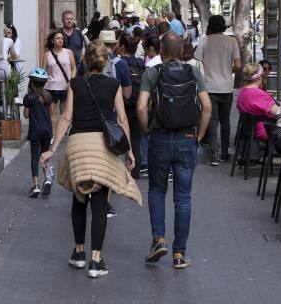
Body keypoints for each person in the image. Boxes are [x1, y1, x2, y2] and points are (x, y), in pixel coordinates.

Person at [41, 41, 140, 278]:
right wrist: (129, 151)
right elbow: (123, 120)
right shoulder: (114, 85)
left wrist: (52, 149)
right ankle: (95, 262)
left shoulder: (75, 84)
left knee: (78, 199)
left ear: (85, 61)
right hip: (103, 147)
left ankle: (78, 253)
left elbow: (66, 117)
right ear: (105, 61)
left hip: (78, 145)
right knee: (98, 204)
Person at [136, 33, 211, 270]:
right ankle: (179, 254)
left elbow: (140, 107)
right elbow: (207, 107)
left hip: (159, 138)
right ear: (181, 51)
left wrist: (147, 129)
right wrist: (199, 135)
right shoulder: (194, 72)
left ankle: (159, 240)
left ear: (161, 49)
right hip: (187, 138)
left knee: (157, 189)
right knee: (183, 198)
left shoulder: (153, 73)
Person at [195, 14, 241, 165]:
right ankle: (225, 152)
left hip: (210, 86)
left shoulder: (204, 40)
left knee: (212, 121)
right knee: (225, 120)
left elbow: (197, 60)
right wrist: (228, 70)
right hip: (227, 86)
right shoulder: (231, 41)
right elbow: (238, 65)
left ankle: (213, 156)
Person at [118, 33, 145, 179]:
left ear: (121, 47)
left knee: (115, 141)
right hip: (137, 105)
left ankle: (115, 175)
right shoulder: (141, 63)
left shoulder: (118, 62)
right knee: (135, 140)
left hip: (122, 105)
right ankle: (134, 173)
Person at [23, 68, 53, 198]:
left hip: (35, 130)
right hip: (47, 130)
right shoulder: (48, 97)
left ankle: (35, 186)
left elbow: (26, 115)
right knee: (45, 155)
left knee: (34, 157)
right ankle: (47, 178)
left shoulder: (28, 97)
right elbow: (50, 113)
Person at [43, 30, 76, 134]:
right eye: (57, 38)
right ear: (52, 40)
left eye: (62, 38)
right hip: (50, 86)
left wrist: (72, 80)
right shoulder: (47, 54)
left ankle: (64, 131)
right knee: (52, 112)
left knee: (65, 111)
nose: (60, 40)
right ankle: (53, 133)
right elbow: (43, 70)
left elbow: (74, 68)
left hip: (65, 86)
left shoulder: (68, 52)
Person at [237, 62, 280, 142]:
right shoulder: (259, 94)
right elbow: (278, 112)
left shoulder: (241, 92)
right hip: (264, 131)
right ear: (259, 77)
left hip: (249, 130)